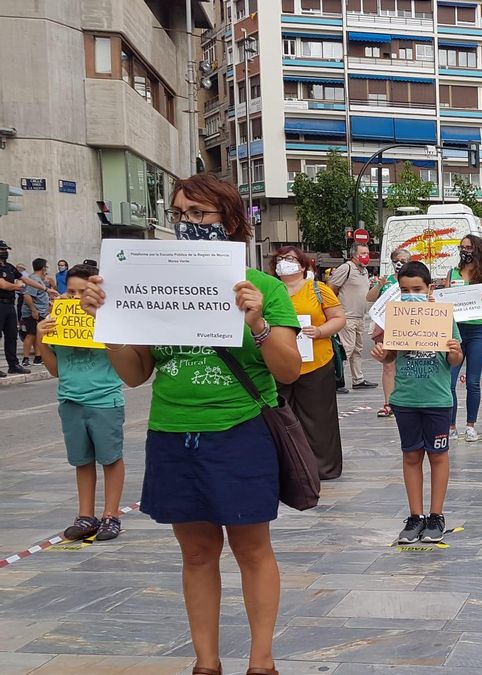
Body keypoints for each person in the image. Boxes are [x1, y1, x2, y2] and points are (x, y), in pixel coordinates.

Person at [79, 174, 300, 675]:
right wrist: (107, 325)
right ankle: (206, 663)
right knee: (197, 551)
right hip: (173, 432)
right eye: (181, 215)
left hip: (241, 429)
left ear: (231, 221)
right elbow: (135, 375)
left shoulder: (262, 287)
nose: (189, 225)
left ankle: (261, 662)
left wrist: (258, 323)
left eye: (201, 215)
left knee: (251, 547)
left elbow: (289, 370)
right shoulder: (149, 285)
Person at [372, 261, 463, 544]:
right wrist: (381, 353)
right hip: (406, 398)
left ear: (429, 289)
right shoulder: (396, 319)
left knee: (438, 455)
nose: (411, 294)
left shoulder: (444, 318)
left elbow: (455, 360)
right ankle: (415, 516)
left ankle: (436, 515)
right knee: (411, 455)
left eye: (417, 289)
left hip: (436, 398)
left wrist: (454, 351)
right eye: (405, 290)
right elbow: (390, 356)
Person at [37, 263, 127, 541]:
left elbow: (122, 358)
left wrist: (103, 324)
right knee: (81, 460)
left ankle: (111, 515)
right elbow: (55, 370)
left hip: (104, 399)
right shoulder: (57, 320)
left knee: (110, 458)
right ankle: (85, 515)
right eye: (70, 291)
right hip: (70, 399)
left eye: (81, 292)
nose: (74, 298)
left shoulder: (108, 320)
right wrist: (42, 339)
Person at [270, 246, 347, 480]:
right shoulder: (269, 290)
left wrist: (321, 330)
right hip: (279, 362)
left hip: (316, 362)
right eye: (281, 259)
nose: (285, 263)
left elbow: (338, 318)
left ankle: (323, 467)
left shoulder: (318, 289)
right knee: (280, 416)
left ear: (303, 266)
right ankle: (285, 465)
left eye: (291, 259)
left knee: (318, 418)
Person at [447, 235, 482, 441]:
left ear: (477, 249)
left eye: (468, 247)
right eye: (462, 247)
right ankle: (450, 425)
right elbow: (446, 299)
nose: (464, 250)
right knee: (449, 381)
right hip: (456, 330)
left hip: (479, 330)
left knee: (473, 381)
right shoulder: (453, 272)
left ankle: (470, 424)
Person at [367, 247, 411, 416]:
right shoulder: (387, 281)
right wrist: (379, 285)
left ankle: (405, 400)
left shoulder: (412, 280)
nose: (400, 263)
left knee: (407, 363)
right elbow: (369, 298)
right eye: (397, 260)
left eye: (404, 260)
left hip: (408, 327)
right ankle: (388, 403)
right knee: (388, 365)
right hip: (386, 326)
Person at [328, 243, 376, 390]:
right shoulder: (346, 268)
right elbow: (331, 287)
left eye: (367, 253)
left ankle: (358, 379)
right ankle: (335, 380)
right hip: (347, 316)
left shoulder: (364, 271)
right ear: (354, 255)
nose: (366, 256)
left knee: (357, 350)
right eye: (362, 253)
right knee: (346, 350)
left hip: (360, 316)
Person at [0, 240, 29, 377]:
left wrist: (46, 289)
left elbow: (25, 279)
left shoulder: (10, 267)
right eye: (2, 250)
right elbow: (3, 285)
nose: (5, 252)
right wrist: (19, 286)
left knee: (11, 336)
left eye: (6, 249)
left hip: (10, 304)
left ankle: (13, 365)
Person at [21, 258, 54, 366]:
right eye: (46, 266)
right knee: (31, 334)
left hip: (41, 311)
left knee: (37, 334)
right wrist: (33, 310)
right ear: (43, 267)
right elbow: (27, 295)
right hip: (33, 312)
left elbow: (39, 295)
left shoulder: (39, 279)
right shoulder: (34, 279)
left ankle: (38, 357)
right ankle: (25, 358)